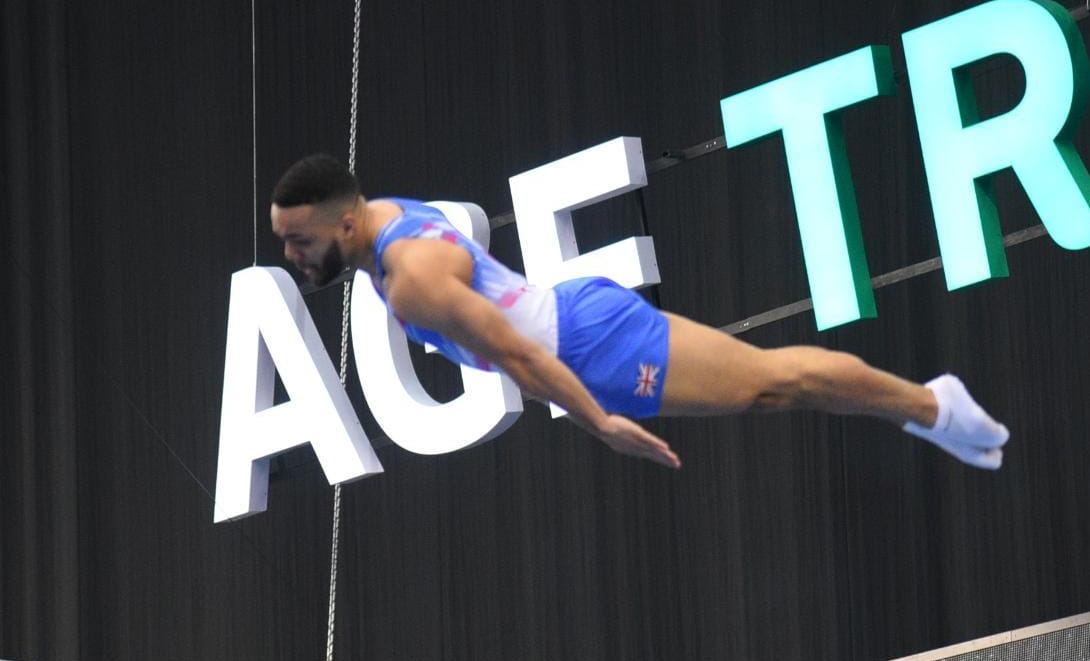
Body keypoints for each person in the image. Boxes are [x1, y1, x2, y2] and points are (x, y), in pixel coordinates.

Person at [269, 153, 1009, 470]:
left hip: (587, 347)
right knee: (769, 384)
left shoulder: (410, 280)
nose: (293, 256)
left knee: (772, 383)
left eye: (300, 241)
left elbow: (519, 355)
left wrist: (600, 422)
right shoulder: (383, 216)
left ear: (345, 223)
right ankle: (929, 410)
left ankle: (933, 407)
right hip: (577, 316)